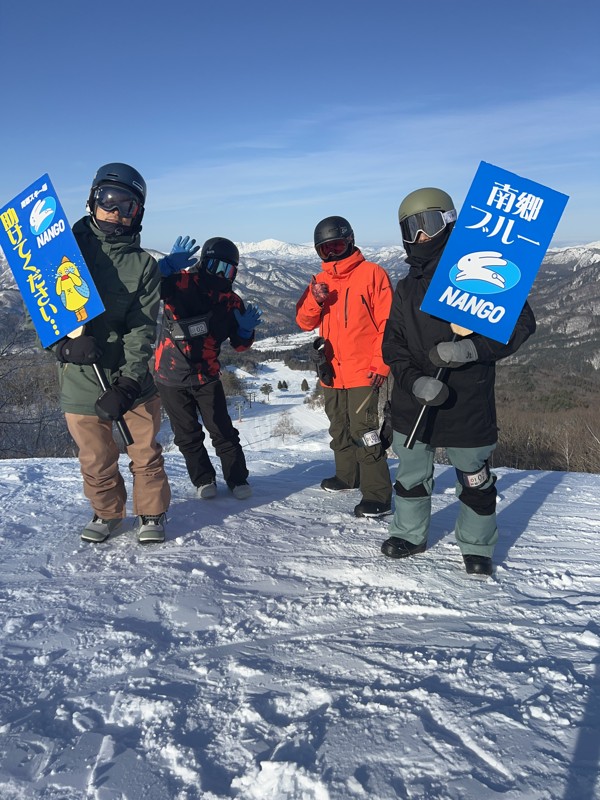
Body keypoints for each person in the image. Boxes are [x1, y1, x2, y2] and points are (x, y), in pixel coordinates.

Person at [381, 187, 536, 575]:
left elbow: (521, 324)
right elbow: (393, 345)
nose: (418, 237)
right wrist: (414, 381)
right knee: (412, 474)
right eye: (409, 228)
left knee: (474, 478)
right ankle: (409, 533)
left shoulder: (482, 268)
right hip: (415, 400)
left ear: (450, 221)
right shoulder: (406, 287)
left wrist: (473, 350)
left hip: (468, 399)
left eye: (426, 224)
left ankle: (477, 545)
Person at [53, 162, 191, 544]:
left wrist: (129, 382)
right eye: (107, 200)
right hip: (80, 379)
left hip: (130, 380)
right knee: (96, 458)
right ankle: (107, 511)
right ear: (92, 200)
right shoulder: (62, 250)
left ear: (138, 212)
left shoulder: (143, 265)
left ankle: (151, 513)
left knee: (144, 451)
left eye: (126, 205)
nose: (115, 211)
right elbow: (43, 310)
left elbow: (142, 327)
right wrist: (63, 346)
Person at [296, 216, 393, 517]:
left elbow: (387, 324)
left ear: (350, 241)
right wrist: (314, 299)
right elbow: (303, 321)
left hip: (364, 370)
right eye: (325, 250)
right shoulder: (318, 281)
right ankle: (347, 476)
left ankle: (378, 494)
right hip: (332, 371)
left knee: (364, 430)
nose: (333, 254)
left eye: (337, 245)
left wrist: (380, 363)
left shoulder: (373, 274)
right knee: (339, 426)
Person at [154, 236, 262, 500]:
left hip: (207, 376)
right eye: (215, 266)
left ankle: (237, 479)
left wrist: (246, 330)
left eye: (229, 270)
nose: (221, 274)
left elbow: (239, 345)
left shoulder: (231, 302)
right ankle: (203, 480)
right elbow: (144, 289)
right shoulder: (180, 283)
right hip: (170, 375)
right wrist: (164, 267)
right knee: (187, 434)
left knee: (222, 430)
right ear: (203, 263)